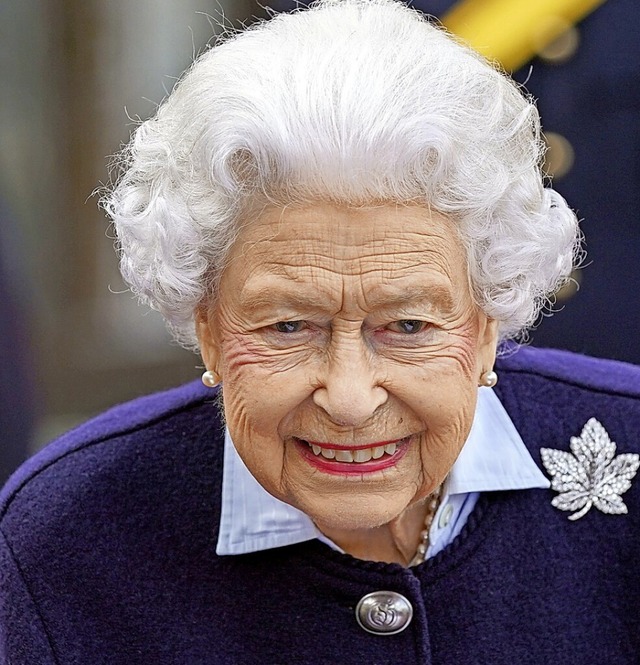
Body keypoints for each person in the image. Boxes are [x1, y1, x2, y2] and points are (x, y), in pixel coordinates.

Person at [1, 1, 639, 662]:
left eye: (408, 324)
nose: (350, 396)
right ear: (208, 325)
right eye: (288, 326)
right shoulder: (64, 536)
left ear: (485, 325)